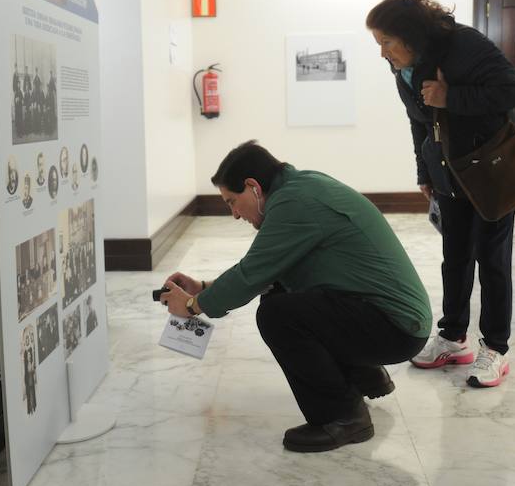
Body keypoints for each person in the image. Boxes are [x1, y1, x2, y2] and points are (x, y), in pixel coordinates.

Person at [161, 141, 431, 452]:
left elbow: (252, 272)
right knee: (281, 294)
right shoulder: (301, 187)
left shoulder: (294, 203)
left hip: (395, 329)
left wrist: (194, 305)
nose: (234, 214)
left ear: (253, 187)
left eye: (232, 202)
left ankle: (343, 417)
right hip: (392, 319)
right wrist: (204, 288)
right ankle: (364, 374)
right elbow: (269, 273)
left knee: (278, 316)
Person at [366, 0, 515, 388]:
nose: (383, 52)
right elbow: (418, 121)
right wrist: (425, 171)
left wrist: (450, 97)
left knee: (492, 261)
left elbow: (513, 91)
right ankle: (454, 337)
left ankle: (496, 348)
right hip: (449, 171)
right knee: (454, 257)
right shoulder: (403, 67)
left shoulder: (464, 45)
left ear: (410, 34)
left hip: (492, 169)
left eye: (387, 42)